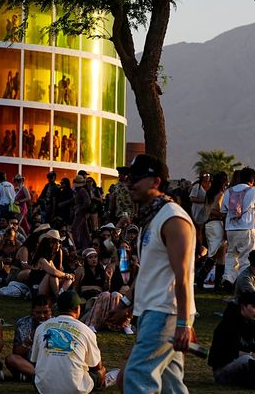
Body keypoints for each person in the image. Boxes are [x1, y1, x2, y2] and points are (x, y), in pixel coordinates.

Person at [108, 154, 195, 393]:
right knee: (171, 385)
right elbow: (148, 271)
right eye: (127, 177)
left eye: (136, 177)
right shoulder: (153, 218)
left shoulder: (173, 219)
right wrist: (126, 302)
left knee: (135, 378)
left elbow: (183, 275)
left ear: (155, 182)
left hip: (165, 312)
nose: (129, 182)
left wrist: (184, 323)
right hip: (154, 311)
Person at [31, 290, 105, 394]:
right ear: (77, 308)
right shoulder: (86, 330)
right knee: (102, 371)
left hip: (42, 388)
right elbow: (96, 365)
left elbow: (34, 361)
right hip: (75, 389)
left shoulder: (41, 327)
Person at [208, 290, 255, 386]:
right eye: (254, 307)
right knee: (247, 360)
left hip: (245, 365)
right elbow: (226, 352)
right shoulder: (227, 325)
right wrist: (253, 355)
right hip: (222, 371)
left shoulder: (252, 326)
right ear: (243, 306)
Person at [221, 167, 255, 292]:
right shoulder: (254, 191)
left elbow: (223, 210)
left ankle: (228, 280)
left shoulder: (229, 191)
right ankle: (242, 283)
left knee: (231, 255)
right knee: (246, 257)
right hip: (246, 228)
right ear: (252, 179)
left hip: (230, 228)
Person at [5, 294, 53, 381]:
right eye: (38, 313)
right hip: (29, 364)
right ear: (32, 311)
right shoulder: (23, 324)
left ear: (51, 311)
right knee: (10, 359)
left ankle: (30, 376)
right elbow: (16, 352)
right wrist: (29, 341)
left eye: (45, 312)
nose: (42, 316)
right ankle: (40, 376)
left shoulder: (58, 324)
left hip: (51, 362)